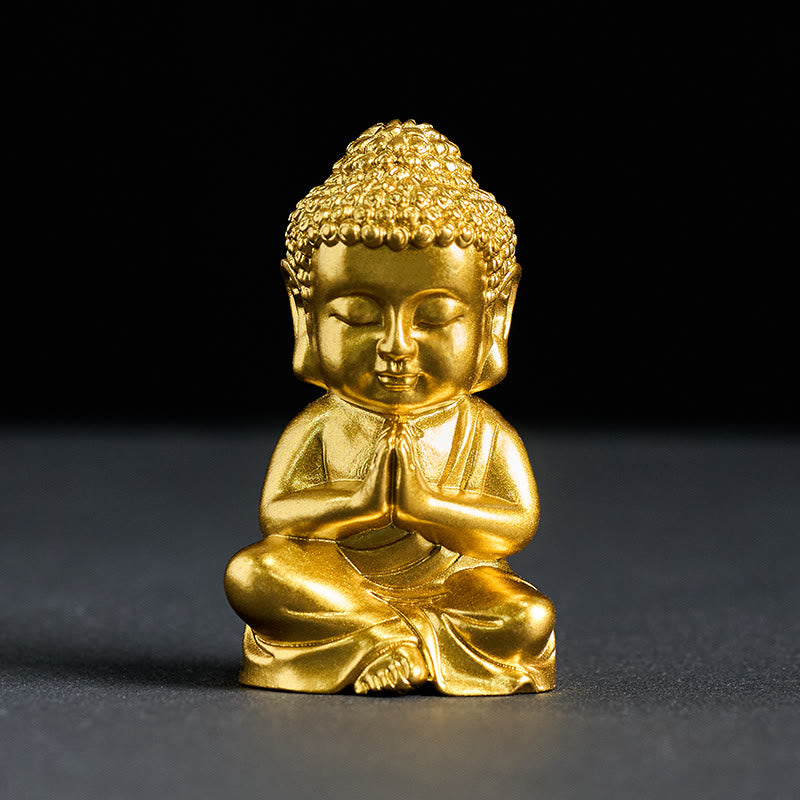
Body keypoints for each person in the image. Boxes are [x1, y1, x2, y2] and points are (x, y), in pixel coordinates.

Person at [224, 121, 555, 695]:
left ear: (495, 314)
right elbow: (277, 517)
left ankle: (384, 640)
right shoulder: (322, 425)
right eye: (358, 315)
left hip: (456, 585)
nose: (396, 345)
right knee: (256, 573)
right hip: (338, 581)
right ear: (305, 314)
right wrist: (361, 504)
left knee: (526, 615)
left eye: (433, 317)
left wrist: (425, 507)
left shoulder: (482, 431)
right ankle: (390, 638)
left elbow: (515, 525)